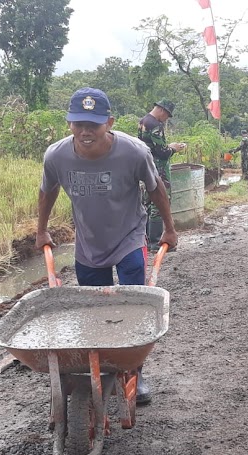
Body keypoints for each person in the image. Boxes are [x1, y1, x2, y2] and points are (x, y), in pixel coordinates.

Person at [36, 87, 178, 405]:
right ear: (69, 123)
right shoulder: (56, 156)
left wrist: (169, 229)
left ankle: (135, 372)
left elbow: (156, 190)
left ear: (109, 122)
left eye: (94, 124)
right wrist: (41, 230)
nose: (86, 131)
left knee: (132, 306)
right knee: (95, 312)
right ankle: (100, 369)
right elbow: (48, 191)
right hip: (89, 243)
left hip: (129, 237)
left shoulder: (135, 152)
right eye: (79, 124)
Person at [138, 99, 186, 250]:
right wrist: (174, 148)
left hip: (146, 166)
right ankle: (156, 241)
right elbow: (162, 152)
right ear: (162, 111)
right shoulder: (155, 125)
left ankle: (145, 240)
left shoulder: (143, 121)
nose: (166, 120)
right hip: (158, 168)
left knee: (147, 202)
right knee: (159, 201)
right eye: (167, 116)